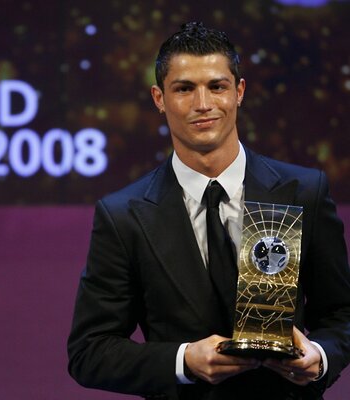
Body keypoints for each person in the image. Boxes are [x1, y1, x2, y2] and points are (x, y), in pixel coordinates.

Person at [67, 22, 350, 400]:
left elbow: (342, 315)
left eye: (217, 86)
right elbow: (90, 351)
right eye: (184, 89)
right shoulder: (123, 216)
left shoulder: (303, 192)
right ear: (159, 98)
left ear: (239, 92)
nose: (203, 104)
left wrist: (320, 356)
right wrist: (183, 361)